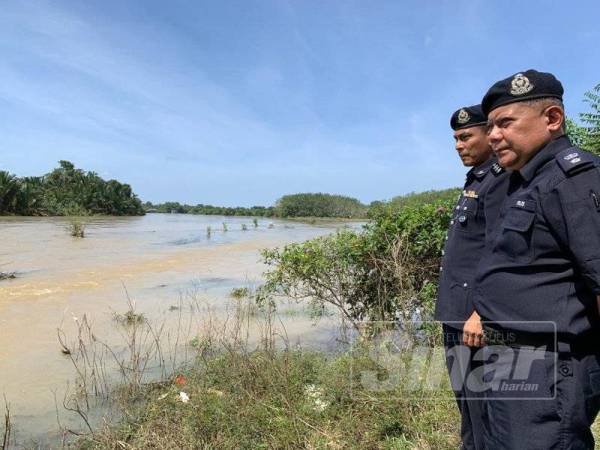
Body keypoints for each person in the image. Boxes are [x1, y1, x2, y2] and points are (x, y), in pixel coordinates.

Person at [474, 69, 600, 449]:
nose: (493, 135)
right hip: (510, 360)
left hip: (550, 367)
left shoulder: (574, 179)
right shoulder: (525, 181)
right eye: (492, 125)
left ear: (552, 119)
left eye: (506, 123)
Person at [435, 104, 508, 450]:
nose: (458, 145)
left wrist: (480, 312)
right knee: (467, 404)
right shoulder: (478, 178)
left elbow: (500, 253)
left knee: (480, 408)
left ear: (489, 135)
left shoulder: (500, 180)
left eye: (466, 137)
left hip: (472, 321)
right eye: (455, 139)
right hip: (456, 314)